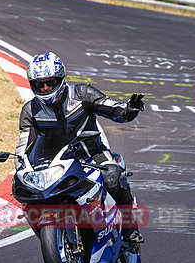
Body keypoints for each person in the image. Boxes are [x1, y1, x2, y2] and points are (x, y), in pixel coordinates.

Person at [16, 52, 145, 245]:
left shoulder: (83, 94)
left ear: (60, 79)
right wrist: (21, 169)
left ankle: (129, 228)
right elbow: (24, 145)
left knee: (112, 177)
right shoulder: (30, 111)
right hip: (55, 164)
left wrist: (128, 110)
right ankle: (51, 237)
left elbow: (113, 109)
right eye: (39, 84)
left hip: (92, 155)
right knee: (27, 190)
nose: (44, 88)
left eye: (49, 83)